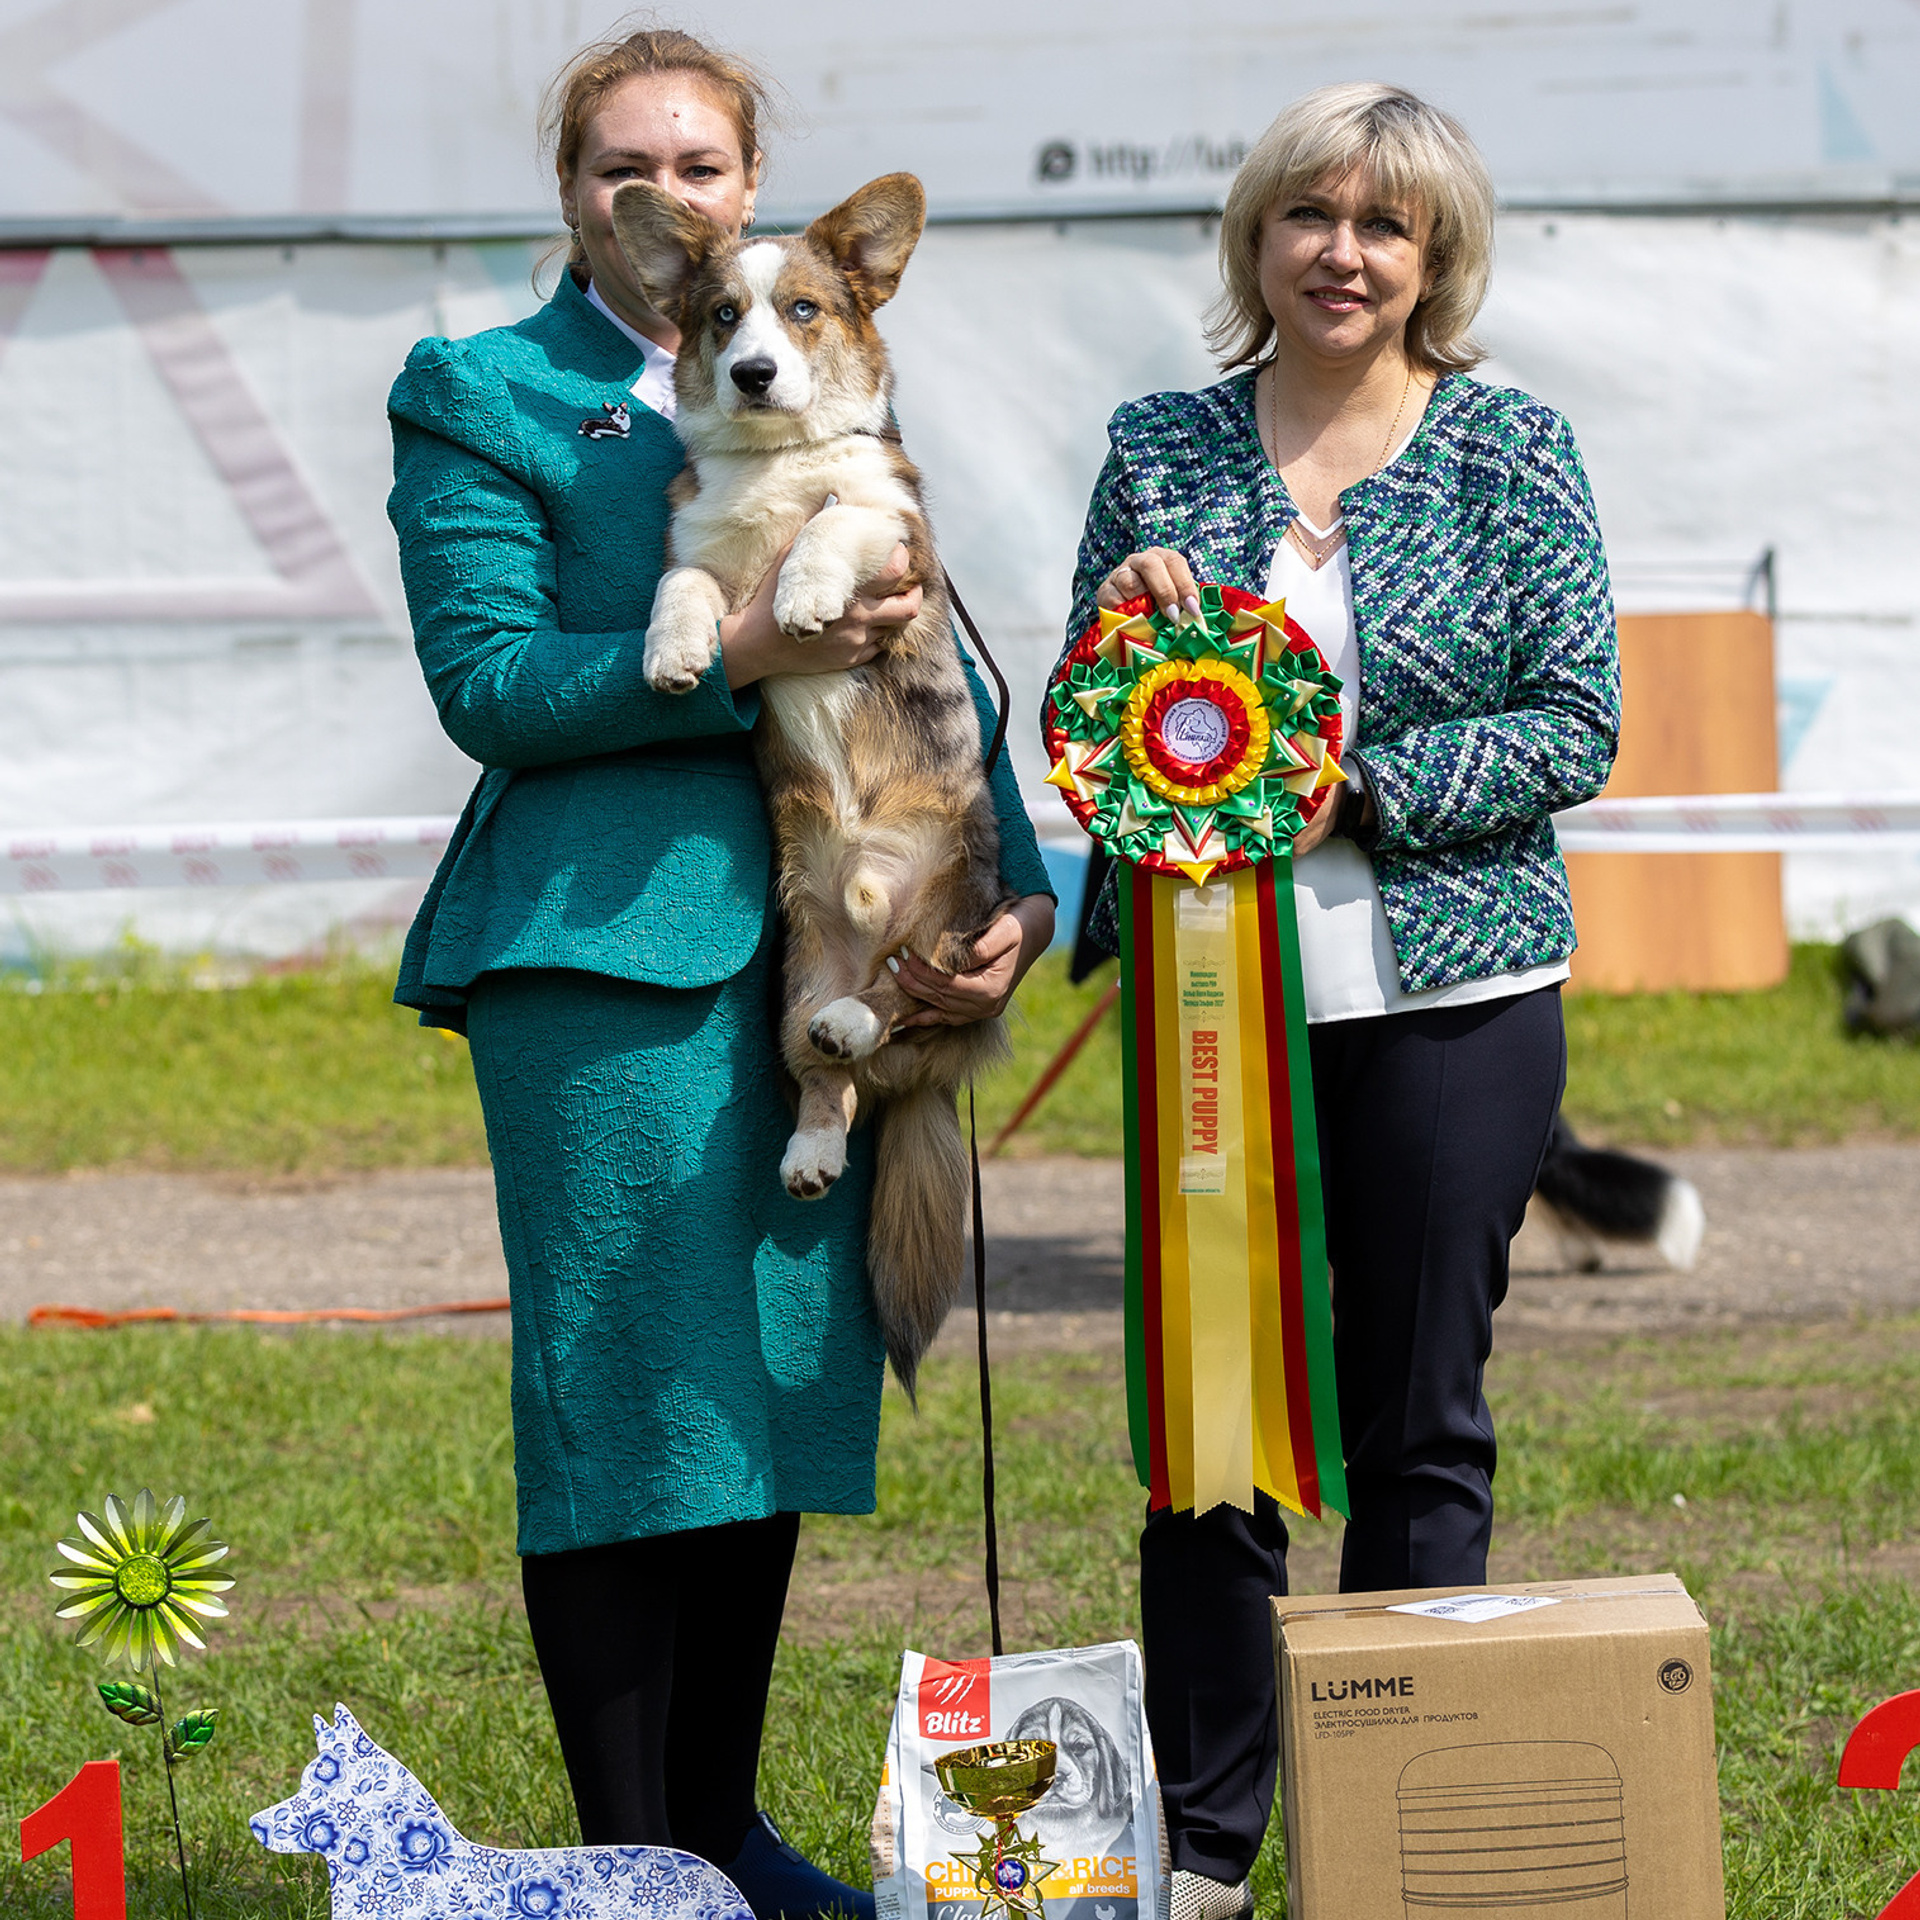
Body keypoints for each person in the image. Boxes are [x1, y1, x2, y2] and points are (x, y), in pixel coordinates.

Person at [385, 28, 1055, 1919]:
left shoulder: (832, 363)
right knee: (626, 1403)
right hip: (605, 951)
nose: (657, 192)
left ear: (748, 187)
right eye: (619, 163)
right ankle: (630, 1861)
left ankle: (722, 1823)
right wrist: (744, 646)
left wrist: (1009, 891)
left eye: (694, 162)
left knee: (760, 1389)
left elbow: (941, 648)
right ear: (571, 189)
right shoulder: (487, 389)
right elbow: (491, 685)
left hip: (842, 940)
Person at [1057, 83, 1619, 1920]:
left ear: (1437, 255)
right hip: (1214, 1006)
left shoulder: (1512, 447)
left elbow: (1578, 719)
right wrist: (1124, 633)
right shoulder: (1160, 446)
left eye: (1385, 224)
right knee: (1207, 1432)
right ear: (1255, 239)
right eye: (1310, 214)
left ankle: (1401, 1833)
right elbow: (1090, 709)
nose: (1344, 251)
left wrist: (1356, 782)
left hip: (1456, 993)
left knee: (1415, 1420)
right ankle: (1208, 1846)